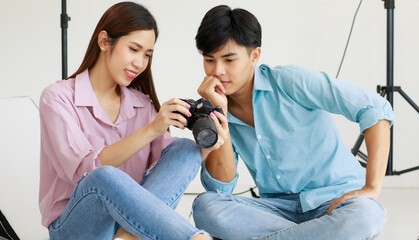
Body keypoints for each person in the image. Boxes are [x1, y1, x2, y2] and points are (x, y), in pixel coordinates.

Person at [191, 5, 394, 240]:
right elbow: (221, 188)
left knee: (365, 216)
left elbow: (375, 108)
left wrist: (372, 186)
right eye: (209, 60)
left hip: (336, 201)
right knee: (206, 207)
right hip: (277, 212)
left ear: (254, 56)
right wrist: (218, 112)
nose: (218, 71)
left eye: (229, 59)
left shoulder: (290, 81)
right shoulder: (212, 106)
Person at [38, 2, 227, 240]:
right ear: (104, 41)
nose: (140, 63)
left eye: (147, 55)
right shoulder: (57, 98)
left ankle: (128, 238)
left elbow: (169, 175)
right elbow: (84, 172)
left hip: (128, 223)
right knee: (103, 176)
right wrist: (151, 129)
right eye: (134, 49)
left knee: (185, 149)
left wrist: (210, 140)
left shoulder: (142, 104)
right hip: (77, 226)